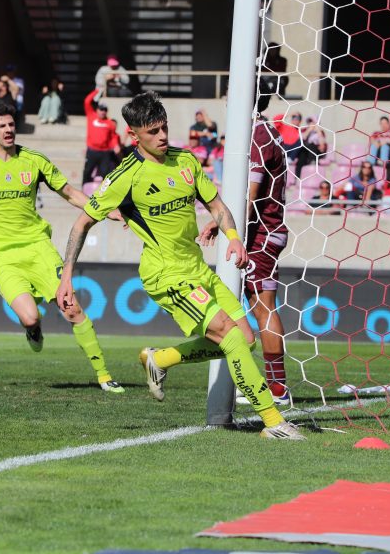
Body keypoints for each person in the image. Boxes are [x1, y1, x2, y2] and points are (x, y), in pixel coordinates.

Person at [57, 92, 301, 439]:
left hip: (198, 269)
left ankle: (161, 359)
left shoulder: (185, 161)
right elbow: (82, 223)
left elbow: (217, 205)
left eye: (164, 127)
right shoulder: (125, 176)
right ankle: (274, 422)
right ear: (134, 135)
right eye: (153, 131)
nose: (162, 136)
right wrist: (66, 276)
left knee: (245, 339)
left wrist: (232, 236)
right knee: (231, 337)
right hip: (165, 274)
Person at [0, 100, 124, 394]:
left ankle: (104, 375)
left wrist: (102, 209)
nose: (8, 130)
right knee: (30, 316)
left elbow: (69, 192)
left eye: (11, 124)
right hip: (0, 253)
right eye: (1, 126)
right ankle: (33, 329)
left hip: (37, 246)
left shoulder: (34, 160)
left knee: (72, 308)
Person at [205, 89, 294, 408]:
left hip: (260, 233)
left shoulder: (258, 135)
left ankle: (278, 389)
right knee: (257, 306)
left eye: (232, 94)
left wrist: (223, 222)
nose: (228, 100)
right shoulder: (266, 131)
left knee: (263, 306)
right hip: (266, 230)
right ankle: (269, 383)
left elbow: (252, 193)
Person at [82, 88, 120, 186]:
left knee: (105, 174)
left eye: (105, 110)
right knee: (87, 172)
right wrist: (97, 90)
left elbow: (113, 137)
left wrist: (116, 145)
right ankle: (83, 190)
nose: (103, 111)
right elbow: (87, 101)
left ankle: (104, 194)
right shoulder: (91, 116)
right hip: (92, 151)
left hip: (104, 153)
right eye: (101, 109)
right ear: (97, 110)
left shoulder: (110, 123)